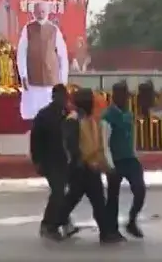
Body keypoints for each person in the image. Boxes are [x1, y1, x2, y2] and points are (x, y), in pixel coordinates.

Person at [60, 88, 125, 245]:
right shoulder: (73, 120)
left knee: (92, 200)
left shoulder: (89, 119)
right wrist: (82, 161)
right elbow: (72, 146)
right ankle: (52, 223)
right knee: (79, 199)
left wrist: (101, 164)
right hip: (80, 168)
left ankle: (105, 233)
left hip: (90, 166)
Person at [102, 82, 146, 238]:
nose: (125, 99)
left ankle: (132, 221)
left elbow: (131, 137)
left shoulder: (129, 114)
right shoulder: (107, 116)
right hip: (115, 161)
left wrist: (135, 154)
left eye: (126, 96)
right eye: (122, 95)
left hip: (130, 159)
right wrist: (109, 164)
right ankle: (111, 229)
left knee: (140, 190)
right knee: (113, 196)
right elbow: (104, 142)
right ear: (115, 96)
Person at [30, 84, 71, 240]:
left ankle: (64, 221)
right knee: (58, 192)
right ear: (54, 97)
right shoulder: (44, 116)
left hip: (64, 160)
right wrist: (37, 161)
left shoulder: (67, 114)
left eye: (65, 97)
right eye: (60, 97)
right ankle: (47, 224)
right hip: (50, 161)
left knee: (63, 193)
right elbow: (35, 140)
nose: (63, 100)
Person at [16, 1, 69, 120]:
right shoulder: (27, 29)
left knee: (51, 111)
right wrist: (23, 75)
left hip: (51, 77)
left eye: (43, 11)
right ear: (33, 12)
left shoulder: (54, 30)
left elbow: (62, 55)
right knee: (34, 113)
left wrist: (63, 80)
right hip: (32, 77)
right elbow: (21, 53)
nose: (40, 13)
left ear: (48, 12)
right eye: (38, 11)